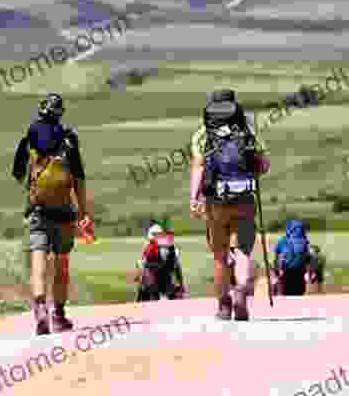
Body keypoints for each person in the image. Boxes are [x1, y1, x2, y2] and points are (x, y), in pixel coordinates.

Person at [12, 92, 94, 335]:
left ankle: (39, 309)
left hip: (38, 209)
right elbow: (78, 179)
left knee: (38, 259)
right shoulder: (69, 139)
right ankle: (58, 314)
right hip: (64, 212)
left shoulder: (30, 135)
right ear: (60, 113)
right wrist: (83, 213)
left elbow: (17, 172)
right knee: (61, 264)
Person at [190, 89, 270, 321]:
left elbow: (198, 167)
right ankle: (241, 293)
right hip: (244, 198)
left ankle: (224, 306)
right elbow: (264, 165)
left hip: (216, 203)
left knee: (220, 255)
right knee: (244, 250)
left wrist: (194, 198)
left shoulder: (203, 135)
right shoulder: (247, 131)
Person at [134, 221, 188, 301]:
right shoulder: (149, 247)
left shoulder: (165, 246)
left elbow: (175, 264)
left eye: (158, 234)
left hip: (164, 278)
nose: (157, 236)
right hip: (155, 280)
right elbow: (144, 263)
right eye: (155, 234)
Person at [272, 219, 313, 296]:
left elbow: (276, 257)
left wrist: (276, 272)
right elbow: (308, 258)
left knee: (286, 295)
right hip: (299, 273)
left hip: (286, 272)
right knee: (298, 295)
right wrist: (309, 273)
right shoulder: (304, 241)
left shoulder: (283, 240)